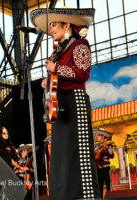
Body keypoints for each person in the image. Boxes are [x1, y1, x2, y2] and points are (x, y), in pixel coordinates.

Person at [30, 8, 100, 199]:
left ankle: (84, 196)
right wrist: (50, 80)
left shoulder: (80, 44)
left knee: (79, 152)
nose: (51, 29)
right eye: (50, 26)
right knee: (61, 154)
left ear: (67, 25)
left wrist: (56, 69)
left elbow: (82, 73)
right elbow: (60, 75)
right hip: (60, 106)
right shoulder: (59, 51)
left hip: (75, 101)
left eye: (54, 25)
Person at [94, 133, 114, 198]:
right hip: (98, 168)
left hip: (106, 168)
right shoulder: (96, 147)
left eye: (98, 135)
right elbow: (95, 157)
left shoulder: (109, 145)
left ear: (103, 137)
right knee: (99, 186)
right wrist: (96, 152)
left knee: (109, 185)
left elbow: (112, 155)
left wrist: (107, 148)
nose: (96, 137)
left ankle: (110, 198)